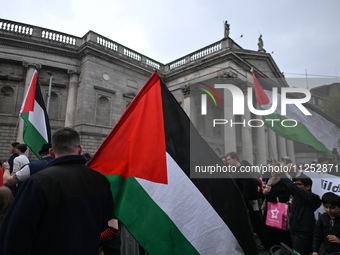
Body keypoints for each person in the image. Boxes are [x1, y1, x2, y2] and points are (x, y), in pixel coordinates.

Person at [0, 127, 114, 255]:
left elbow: (15, 233)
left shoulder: (37, 182)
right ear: (80, 149)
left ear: (52, 152)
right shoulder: (101, 181)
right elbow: (107, 221)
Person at [279, 172, 321, 255]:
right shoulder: (297, 197)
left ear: (308, 187)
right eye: (295, 184)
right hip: (294, 231)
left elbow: (293, 187)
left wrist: (281, 173)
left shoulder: (311, 197)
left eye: (299, 184)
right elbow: (290, 187)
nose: (296, 187)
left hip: (303, 234)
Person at [262, 159, 292, 249]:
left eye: (273, 170)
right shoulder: (271, 180)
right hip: (270, 209)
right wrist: (264, 193)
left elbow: (283, 197)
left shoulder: (282, 182)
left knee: (279, 234)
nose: (271, 172)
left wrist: (268, 193)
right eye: (271, 170)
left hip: (278, 210)